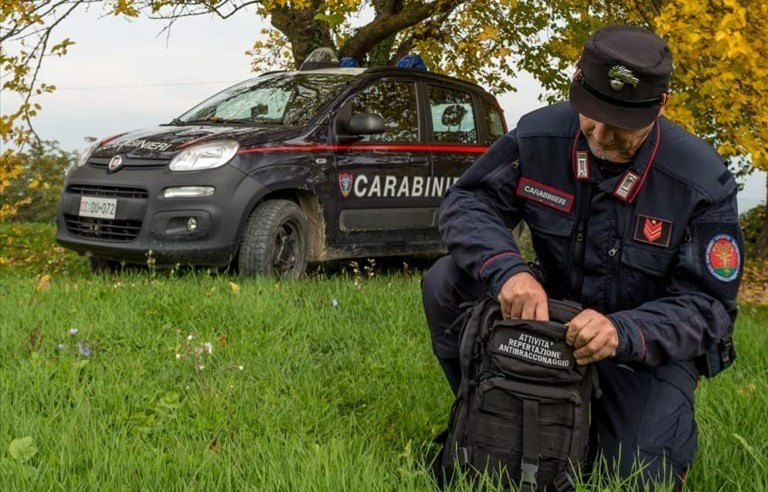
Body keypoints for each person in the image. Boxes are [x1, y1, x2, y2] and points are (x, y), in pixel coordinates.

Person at [422, 24, 743, 488]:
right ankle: (490, 402)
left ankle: (604, 424)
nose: (602, 135)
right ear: (575, 83)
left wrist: (623, 331)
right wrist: (509, 271)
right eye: (592, 114)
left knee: (631, 477)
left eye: (621, 123)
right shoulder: (538, 135)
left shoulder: (701, 181)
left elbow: (710, 306)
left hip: (640, 346)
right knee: (446, 281)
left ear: (661, 106)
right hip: (552, 321)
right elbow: (469, 202)